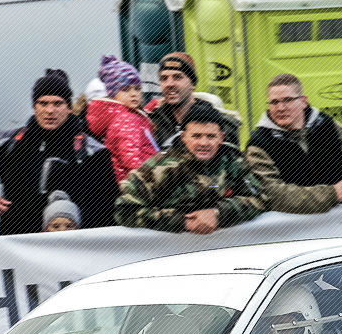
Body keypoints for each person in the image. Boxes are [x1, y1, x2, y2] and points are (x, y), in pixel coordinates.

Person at [0, 70, 118, 234]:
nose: (50, 110)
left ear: (69, 107)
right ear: (34, 106)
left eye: (57, 103)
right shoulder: (8, 142)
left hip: (71, 244)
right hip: (18, 243)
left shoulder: (92, 151)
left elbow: (106, 209)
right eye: (43, 103)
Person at [116, 100, 267, 234]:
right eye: (196, 136)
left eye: (211, 136)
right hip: (172, 250)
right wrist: (182, 221)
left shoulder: (231, 159)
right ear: (184, 137)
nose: (204, 143)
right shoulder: (158, 168)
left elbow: (259, 198)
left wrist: (218, 213)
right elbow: (125, 210)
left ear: (221, 137)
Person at [244, 72, 342, 213]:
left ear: (303, 101)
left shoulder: (330, 127)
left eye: (287, 100)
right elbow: (273, 195)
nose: (280, 108)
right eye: (274, 102)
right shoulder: (259, 144)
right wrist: (332, 193)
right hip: (292, 225)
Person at [87, 55, 160, 183]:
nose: (134, 94)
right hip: (138, 182)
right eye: (125, 89)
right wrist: (152, 179)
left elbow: (140, 119)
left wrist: (154, 104)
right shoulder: (126, 119)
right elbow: (131, 159)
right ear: (113, 94)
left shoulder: (125, 115)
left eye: (137, 88)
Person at [144, 52, 242, 147]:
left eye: (177, 77)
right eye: (164, 78)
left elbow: (230, 157)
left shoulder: (220, 124)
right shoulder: (151, 123)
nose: (170, 84)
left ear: (193, 84)